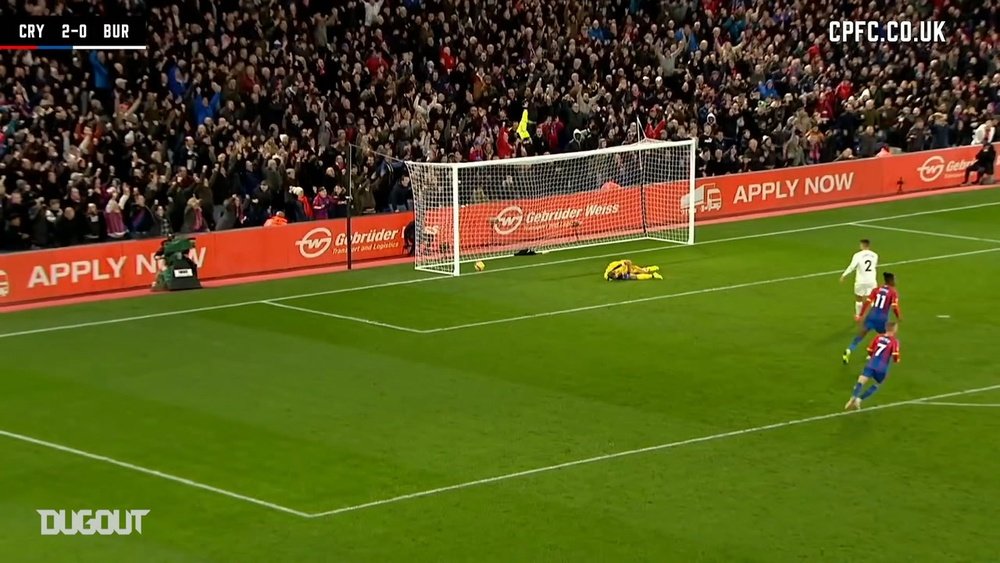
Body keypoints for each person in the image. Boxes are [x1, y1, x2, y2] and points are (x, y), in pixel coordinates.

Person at [843, 272, 901, 364]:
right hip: (882, 319)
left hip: (871, 316)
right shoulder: (893, 292)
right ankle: (872, 355)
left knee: (860, 336)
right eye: (894, 279)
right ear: (890, 281)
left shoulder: (876, 289)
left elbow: (867, 303)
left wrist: (861, 315)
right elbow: (895, 307)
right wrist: (899, 317)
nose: (896, 281)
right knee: (886, 339)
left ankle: (849, 349)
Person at [845, 322, 900, 410]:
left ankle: (853, 397)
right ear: (894, 329)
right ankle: (859, 399)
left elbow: (870, 349)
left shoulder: (878, 337)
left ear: (886, 328)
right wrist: (897, 360)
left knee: (861, 381)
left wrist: (872, 355)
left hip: (871, 364)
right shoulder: (894, 341)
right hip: (882, 368)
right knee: (877, 384)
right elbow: (895, 355)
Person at [839, 239, 879, 318]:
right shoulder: (875, 255)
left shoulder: (857, 255)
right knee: (872, 298)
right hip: (871, 280)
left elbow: (852, 267)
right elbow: (874, 265)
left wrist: (844, 275)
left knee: (858, 298)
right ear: (868, 245)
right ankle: (875, 315)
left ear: (862, 245)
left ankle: (858, 315)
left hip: (860, 281)